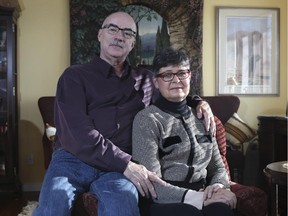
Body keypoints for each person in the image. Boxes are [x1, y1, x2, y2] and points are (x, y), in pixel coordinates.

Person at [33, 12, 215, 216]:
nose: (119, 36)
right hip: (74, 160)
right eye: (113, 29)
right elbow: (79, 133)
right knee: (54, 202)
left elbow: (172, 92)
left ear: (133, 43)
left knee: (123, 204)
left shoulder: (146, 80)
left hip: (118, 169)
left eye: (127, 33)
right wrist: (126, 164)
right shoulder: (74, 76)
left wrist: (198, 101)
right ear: (100, 34)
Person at [132, 48, 237, 216]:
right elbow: (152, 183)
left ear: (190, 76)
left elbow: (218, 168)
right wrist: (199, 198)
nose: (176, 80)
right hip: (163, 200)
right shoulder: (147, 119)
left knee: (221, 210)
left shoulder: (203, 116)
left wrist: (218, 188)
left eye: (182, 73)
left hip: (203, 192)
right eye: (167, 75)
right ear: (156, 82)